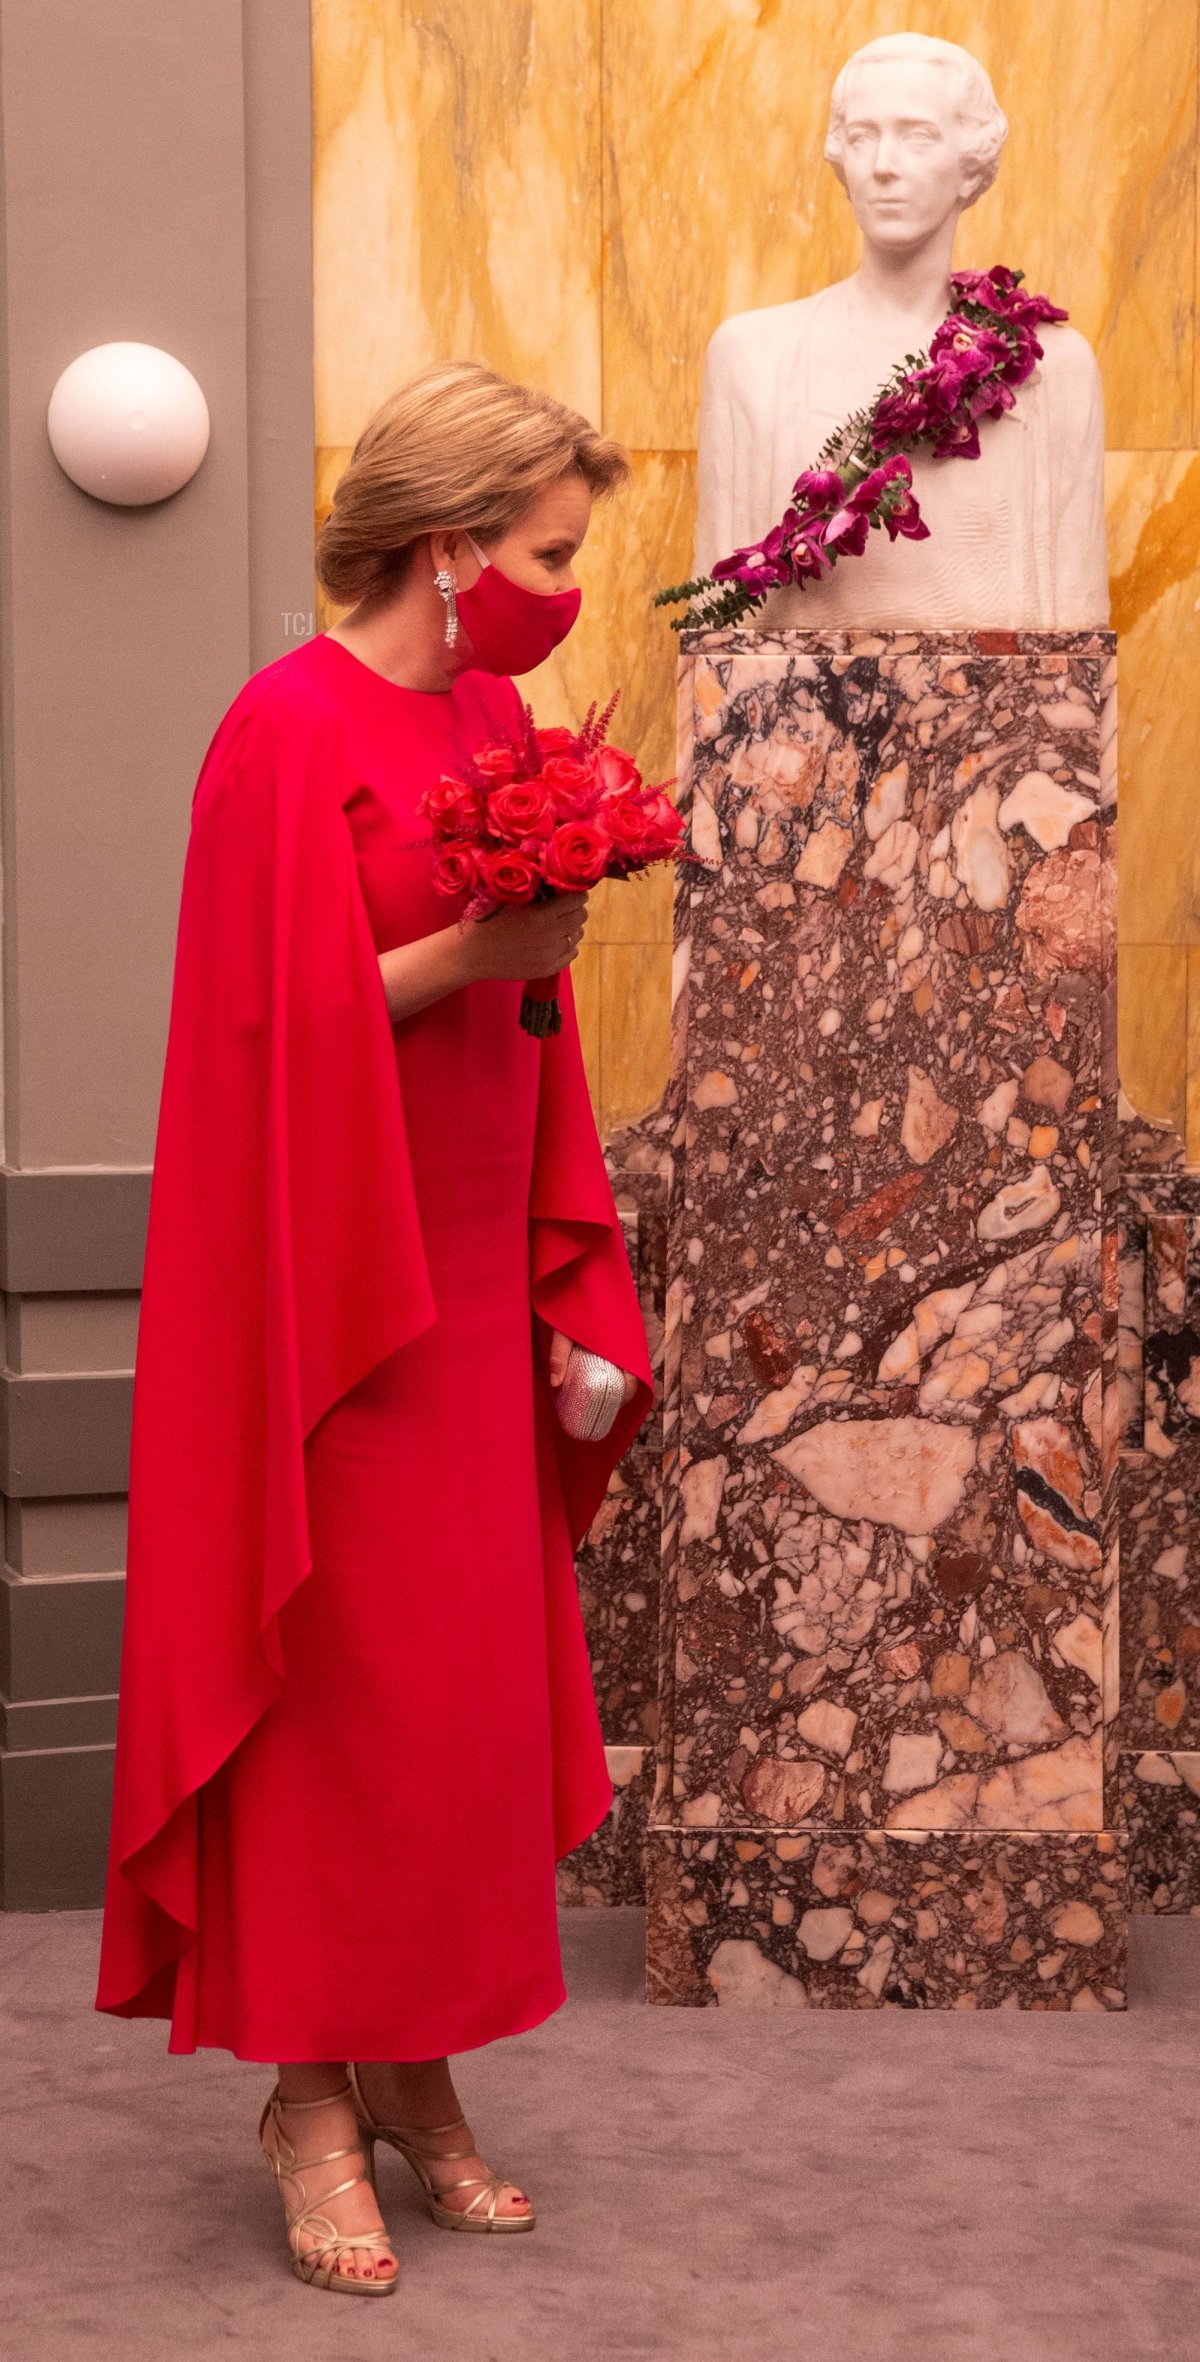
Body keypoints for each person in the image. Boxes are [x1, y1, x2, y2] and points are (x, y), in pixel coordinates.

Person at [94, 359, 655, 2295]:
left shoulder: (493, 711)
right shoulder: (281, 729)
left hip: (469, 1275)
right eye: (547, 552)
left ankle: (413, 2065)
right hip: (325, 1306)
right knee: (339, 1707)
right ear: (448, 543)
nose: (562, 587)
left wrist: (571, 1281)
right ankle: (309, 2097)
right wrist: (465, 951)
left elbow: (536, 1013)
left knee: (450, 1716)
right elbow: (255, 1041)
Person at [694, 31, 1109, 628]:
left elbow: (1079, 646)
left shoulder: (1055, 371)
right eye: (863, 137)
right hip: (798, 719)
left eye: (916, 136)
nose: (883, 166)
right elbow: (717, 645)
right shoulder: (751, 359)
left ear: (970, 165)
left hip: (1003, 719)